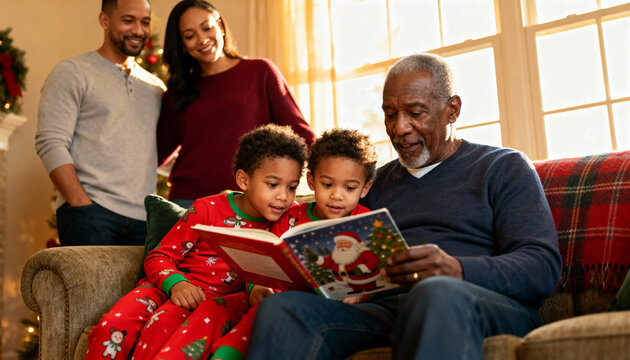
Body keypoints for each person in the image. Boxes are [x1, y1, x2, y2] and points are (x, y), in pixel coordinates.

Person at [248, 53, 563, 360]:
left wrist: (457, 269)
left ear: (452, 110)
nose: (399, 128)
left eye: (416, 112)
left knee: (436, 292)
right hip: (387, 310)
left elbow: (542, 267)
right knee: (282, 309)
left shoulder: (502, 167)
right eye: (390, 114)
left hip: (476, 303)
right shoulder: (373, 183)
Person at [84, 124, 308, 360]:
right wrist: (176, 284)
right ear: (243, 180)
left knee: (161, 329)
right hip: (168, 285)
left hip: (212, 303)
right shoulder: (207, 209)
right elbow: (159, 257)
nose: (283, 196)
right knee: (111, 326)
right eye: (272, 185)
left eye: (292, 187)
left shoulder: (288, 219)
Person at [205, 128, 377, 360]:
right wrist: (255, 287)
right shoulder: (291, 216)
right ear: (311, 181)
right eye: (327, 185)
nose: (337, 196)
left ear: (365, 188)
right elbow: (265, 259)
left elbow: (372, 270)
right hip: (281, 300)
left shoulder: (363, 220)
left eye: (349, 188)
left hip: (333, 306)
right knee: (256, 316)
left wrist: (359, 294)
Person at [157, 0, 316, 208]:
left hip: (249, 201)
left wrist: (334, 181)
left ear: (220, 27)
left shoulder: (260, 72)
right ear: (182, 45)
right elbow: (155, 155)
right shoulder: (177, 92)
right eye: (189, 35)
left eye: (207, 28)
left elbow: (302, 135)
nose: (202, 39)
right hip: (188, 202)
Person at [35, 0, 166, 246]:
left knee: (139, 288)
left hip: (143, 221)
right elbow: (50, 142)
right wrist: (81, 204)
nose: (138, 30)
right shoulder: (72, 72)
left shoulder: (156, 88)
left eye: (145, 22)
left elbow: (160, 153)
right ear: (104, 21)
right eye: (128, 20)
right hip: (90, 215)